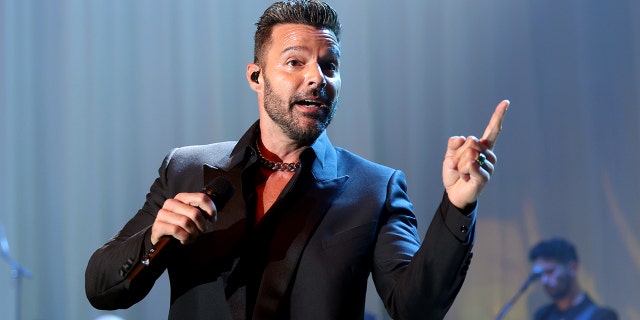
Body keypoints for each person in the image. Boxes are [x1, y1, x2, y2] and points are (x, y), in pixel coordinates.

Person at [84, 1, 510, 319]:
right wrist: (155, 237)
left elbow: (414, 308)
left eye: (330, 65)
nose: (316, 77)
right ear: (256, 77)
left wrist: (458, 206)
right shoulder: (186, 169)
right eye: (295, 62)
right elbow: (103, 289)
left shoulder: (374, 188)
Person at [529, 238, 618, 320]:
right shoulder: (542, 316)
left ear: (573, 268)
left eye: (550, 272)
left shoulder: (601, 316)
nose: (544, 280)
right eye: (540, 275)